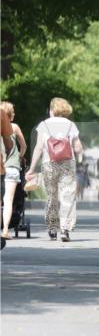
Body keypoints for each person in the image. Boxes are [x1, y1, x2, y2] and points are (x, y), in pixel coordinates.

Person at [26, 97, 84, 242]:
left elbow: (39, 148)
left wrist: (32, 169)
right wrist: (81, 160)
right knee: (67, 196)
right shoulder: (71, 125)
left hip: (49, 163)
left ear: (52, 110)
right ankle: (65, 229)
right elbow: (78, 147)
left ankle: (52, 228)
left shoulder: (43, 125)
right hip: (67, 163)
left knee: (52, 196)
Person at [1, 102, 28, 240]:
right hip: (12, 167)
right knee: (8, 200)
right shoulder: (14, 127)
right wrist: (20, 156)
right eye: (13, 112)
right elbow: (23, 146)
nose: (15, 114)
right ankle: (5, 230)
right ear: (9, 114)